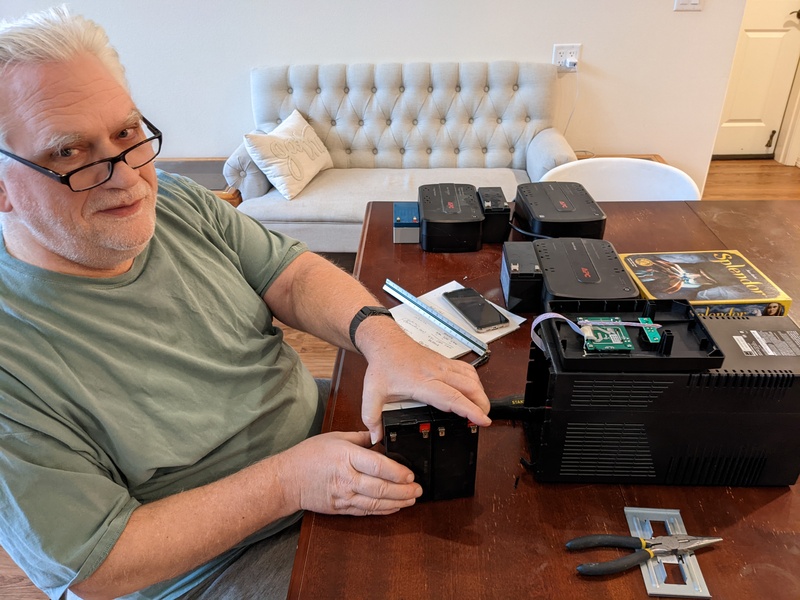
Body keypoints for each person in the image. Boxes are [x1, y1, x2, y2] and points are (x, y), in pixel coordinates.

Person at [0, 7, 491, 599]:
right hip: (218, 567)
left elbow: (291, 274)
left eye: (128, 134)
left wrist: (384, 341)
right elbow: (98, 565)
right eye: (70, 153)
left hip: (327, 448)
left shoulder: (179, 202)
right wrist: (289, 483)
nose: (127, 178)